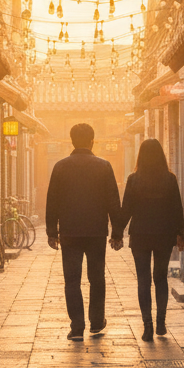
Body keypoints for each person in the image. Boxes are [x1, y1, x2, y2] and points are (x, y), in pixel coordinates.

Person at [45, 123, 122, 341]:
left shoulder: (60, 167)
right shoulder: (104, 166)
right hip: (96, 232)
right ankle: (97, 323)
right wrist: (116, 232)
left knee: (72, 280)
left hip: (69, 232)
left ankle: (77, 327)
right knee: (97, 278)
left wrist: (52, 231)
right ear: (92, 141)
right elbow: (113, 201)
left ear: (72, 141)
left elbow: (52, 201)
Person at [112, 138, 184, 342]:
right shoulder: (170, 179)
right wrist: (180, 234)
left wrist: (117, 233)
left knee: (143, 280)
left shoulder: (134, 179)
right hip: (164, 234)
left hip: (141, 235)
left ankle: (147, 326)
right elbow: (177, 208)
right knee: (160, 278)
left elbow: (126, 209)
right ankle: (161, 322)